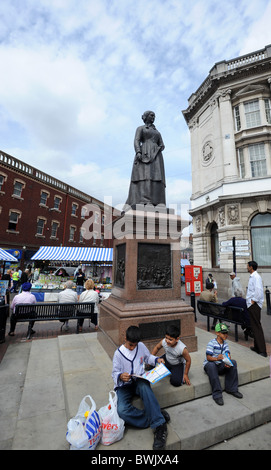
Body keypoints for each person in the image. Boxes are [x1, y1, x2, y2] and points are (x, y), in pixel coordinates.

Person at [112, 325, 170, 450]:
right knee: (121, 410)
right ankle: (154, 415)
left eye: (135, 345)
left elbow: (148, 357)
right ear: (125, 338)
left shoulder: (141, 346)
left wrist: (157, 360)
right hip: (124, 386)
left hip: (139, 380)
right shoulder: (118, 354)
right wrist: (121, 376)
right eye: (130, 345)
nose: (132, 347)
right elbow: (114, 373)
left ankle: (160, 426)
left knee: (144, 387)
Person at [125, 111, 166, 208]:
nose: (153, 117)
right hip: (144, 153)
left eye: (154, 116)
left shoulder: (157, 132)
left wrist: (158, 148)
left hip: (156, 156)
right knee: (144, 176)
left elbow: (162, 144)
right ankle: (144, 200)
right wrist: (138, 151)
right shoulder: (140, 128)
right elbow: (136, 140)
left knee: (157, 177)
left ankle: (158, 201)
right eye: (151, 115)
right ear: (145, 117)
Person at [203, 322, 243, 406]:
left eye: (227, 333)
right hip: (211, 365)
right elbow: (208, 357)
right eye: (223, 333)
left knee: (234, 362)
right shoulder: (211, 343)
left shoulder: (225, 344)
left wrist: (228, 361)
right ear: (217, 333)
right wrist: (216, 358)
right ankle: (217, 394)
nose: (226, 335)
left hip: (220, 366)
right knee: (211, 365)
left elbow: (228, 354)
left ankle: (232, 389)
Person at [246, 261, 267, 357]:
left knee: (257, 327)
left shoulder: (256, 277)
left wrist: (253, 301)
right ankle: (257, 347)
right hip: (252, 305)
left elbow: (258, 291)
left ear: (251, 267)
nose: (247, 267)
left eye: (247, 266)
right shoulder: (252, 276)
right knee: (254, 326)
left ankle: (262, 350)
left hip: (254, 305)